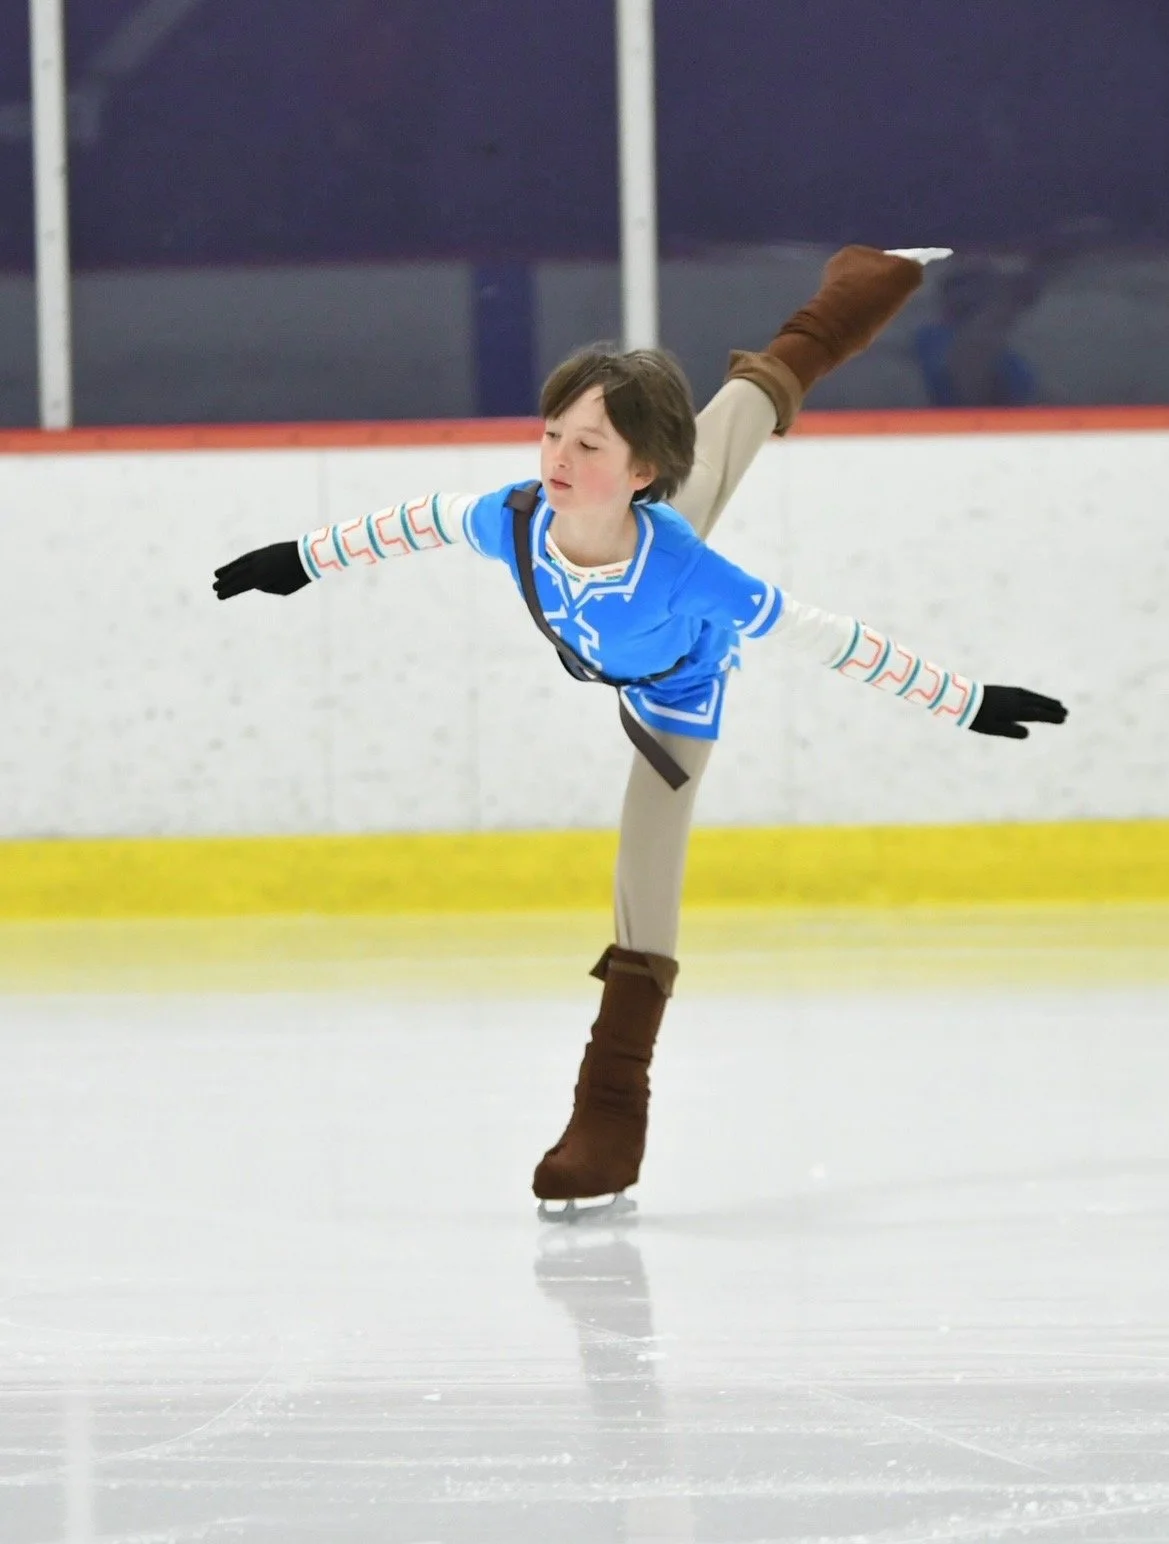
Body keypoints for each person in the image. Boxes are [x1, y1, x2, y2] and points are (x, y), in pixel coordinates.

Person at [214, 247, 1067, 1218]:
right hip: (654, 536)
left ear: (635, 470)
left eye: (587, 447)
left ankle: (605, 1120)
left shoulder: (695, 573)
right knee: (738, 410)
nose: (557, 460)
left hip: (674, 688)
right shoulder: (517, 516)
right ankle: (865, 280)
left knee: (643, 877)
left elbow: (827, 637)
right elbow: (414, 521)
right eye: (552, 435)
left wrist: (965, 701)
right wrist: (296, 558)